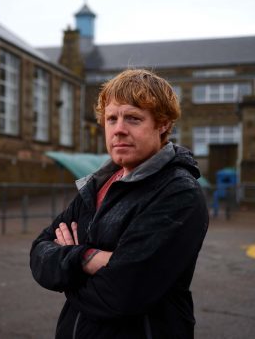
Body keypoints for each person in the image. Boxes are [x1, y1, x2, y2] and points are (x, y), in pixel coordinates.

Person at [30, 69, 209, 339]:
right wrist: (86, 258)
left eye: (133, 118)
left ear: (162, 124)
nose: (119, 129)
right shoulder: (98, 184)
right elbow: (38, 255)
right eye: (111, 118)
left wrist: (68, 267)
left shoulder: (178, 192)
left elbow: (121, 295)